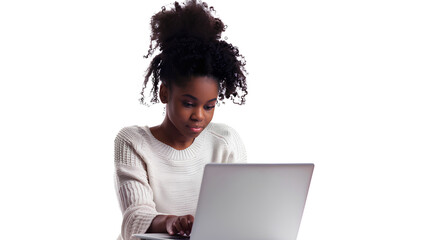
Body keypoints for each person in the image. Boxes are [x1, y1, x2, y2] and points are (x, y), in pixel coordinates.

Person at [114, 1, 248, 239]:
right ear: (165, 93)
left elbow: (237, 211)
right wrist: (172, 222)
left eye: (209, 106)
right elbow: (134, 219)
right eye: (188, 103)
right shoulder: (133, 142)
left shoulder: (225, 141)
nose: (199, 115)